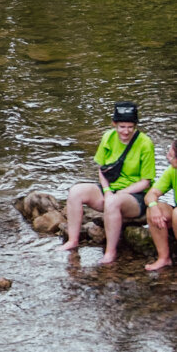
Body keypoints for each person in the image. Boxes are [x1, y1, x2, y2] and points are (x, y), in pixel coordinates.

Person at [60, 101, 155, 265]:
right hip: (111, 189)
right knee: (76, 191)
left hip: (135, 196)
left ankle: (111, 252)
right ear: (114, 124)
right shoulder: (107, 137)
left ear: (135, 126)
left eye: (130, 127)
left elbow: (146, 182)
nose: (125, 131)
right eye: (121, 127)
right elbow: (102, 169)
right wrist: (106, 190)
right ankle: (73, 240)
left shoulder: (145, 143)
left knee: (112, 201)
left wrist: (120, 194)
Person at [144, 139, 177, 271]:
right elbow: (150, 194)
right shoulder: (172, 171)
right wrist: (153, 206)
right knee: (154, 209)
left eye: (171, 155)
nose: (167, 157)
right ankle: (164, 258)